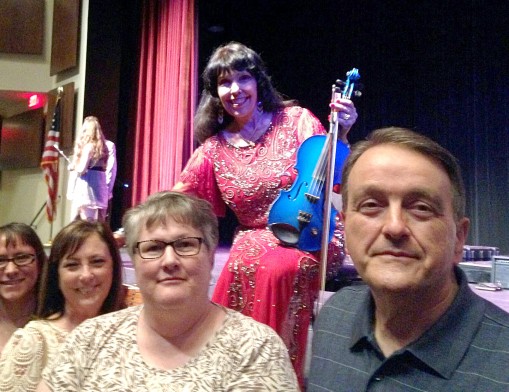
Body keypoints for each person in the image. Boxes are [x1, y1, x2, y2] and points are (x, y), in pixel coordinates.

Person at [172, 41, 358, 384]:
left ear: (258, 82)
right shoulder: (213, 149)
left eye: (243, 79)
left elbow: (331, 173)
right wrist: (138, 227)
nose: (234, 90)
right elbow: (179, 197)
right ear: (214, 93)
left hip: (310, 231)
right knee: (234, 268)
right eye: (224, 83)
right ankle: (232, 377)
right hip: (252, 237)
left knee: (275, 269)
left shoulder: (296, 120)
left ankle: (273, 379)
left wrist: (341, 131)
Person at [308, 127, 509, 391]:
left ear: (459, 238)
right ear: (344, 227)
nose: (394, 227)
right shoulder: (333, 317)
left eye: (420, 208)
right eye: (371, 205)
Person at [36, 191, 299, 391]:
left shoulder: (257, 348)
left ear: (210, 257)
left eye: (185, 245)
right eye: (153, 248)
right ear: (134, 261)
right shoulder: (89, 339)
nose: (169, 260)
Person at [0, 220, 125, 391]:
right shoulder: (35, 340)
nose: (86, 275)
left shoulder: (134, 332)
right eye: (72, 265)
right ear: (56, 274)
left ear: (114, 267)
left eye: (97, 262)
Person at [0, 223, 45, 354]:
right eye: (0, 260)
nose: (11, 270)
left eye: (22, 257)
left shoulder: (58, 324)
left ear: (40, 263)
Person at [67, 116, 109, 221]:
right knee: (99, 222)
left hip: (88, 188)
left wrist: (73, 166)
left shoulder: (89, 147)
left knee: (87, 222)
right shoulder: (103, 148)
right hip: (99, 186)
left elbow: (81, 169)